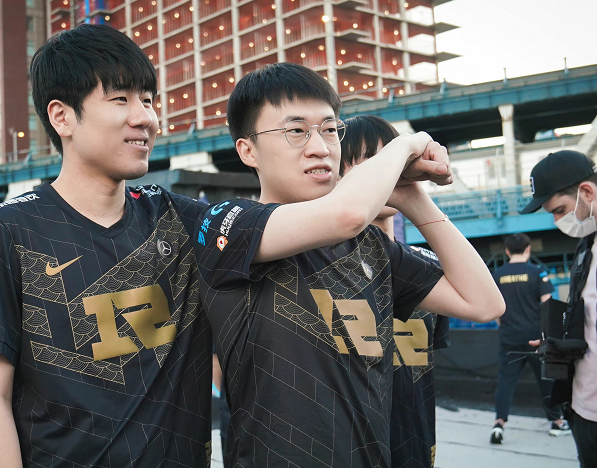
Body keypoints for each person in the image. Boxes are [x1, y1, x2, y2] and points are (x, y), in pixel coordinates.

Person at [193, 62, 505, 467]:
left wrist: (412, 197)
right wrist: (406, 145)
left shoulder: (371, 246)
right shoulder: (229, 224)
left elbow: (484, 303)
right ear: (247, 150)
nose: (320, 147)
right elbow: (348, 214)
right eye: (296, 131)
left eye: (329, 129)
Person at [0, 24, 212, 467]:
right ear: (62, 117)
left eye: (148, 100)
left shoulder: (178, 220)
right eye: (121, 100)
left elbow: (302, 223)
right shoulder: (9, 228)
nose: (146, 118)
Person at [340, 115, 451, 468]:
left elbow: (486, 304)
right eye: (369, 162)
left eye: (392, 159)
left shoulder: (428, 265)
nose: (387, 171)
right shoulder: (321, 266)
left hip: (416, 443)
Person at [521, 150, 597, 467]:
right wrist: (561, 341)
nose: (556, 221)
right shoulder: (587, 246)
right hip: (583, 406)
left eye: (560, 210)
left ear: (587, 192)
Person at [489, 233, 569, 444]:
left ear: (507, 251)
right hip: (535, 338)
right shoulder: (537, 272)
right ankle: (556, 423)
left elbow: (495, 309)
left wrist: (504, 326)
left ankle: (499, 425)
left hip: (509, 337)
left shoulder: (497, 275)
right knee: (546, 380)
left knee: (506, 382)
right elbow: (548, 305)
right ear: (528, 249)